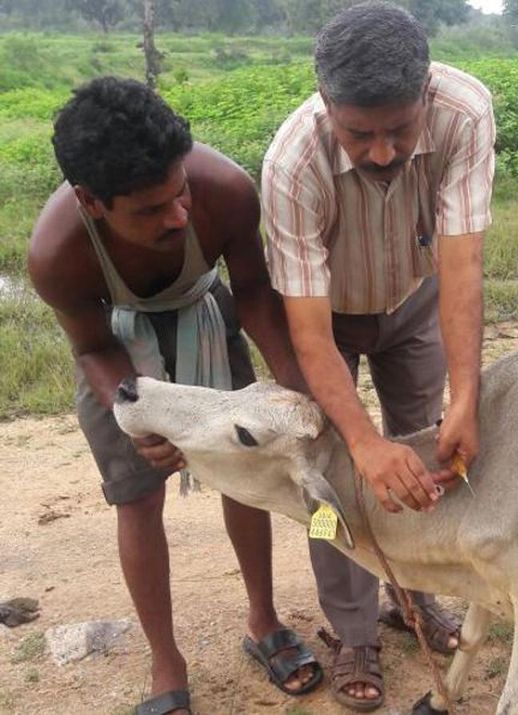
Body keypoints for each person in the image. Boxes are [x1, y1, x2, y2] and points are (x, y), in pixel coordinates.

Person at [27, 77, 322, 715]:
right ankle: (166, 661)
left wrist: (291, 389)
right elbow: (92, 349)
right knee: (138, 496)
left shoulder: (226, 193)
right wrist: (137, 422)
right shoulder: (57, 255)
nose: (178, 216)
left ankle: (264, 622)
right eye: (151, 210)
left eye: (179, 191)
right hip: (119, 347)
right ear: (90, 201)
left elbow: (253, 296)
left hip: (209, 319)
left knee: (245, 472)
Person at [260, 2, 495, 710]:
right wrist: (360, 441)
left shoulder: (465, 113)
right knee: (334, 472)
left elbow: (462, 268)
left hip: (415, 299)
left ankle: (414, 595)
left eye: (400, 128)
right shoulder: (290, 165)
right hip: (328, 319)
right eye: (361, 134)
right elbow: (306, 332)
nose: (385, 152)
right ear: (326, 104)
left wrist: (465, 397)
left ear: (426, 94)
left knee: (421, 449)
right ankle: (354, 628)